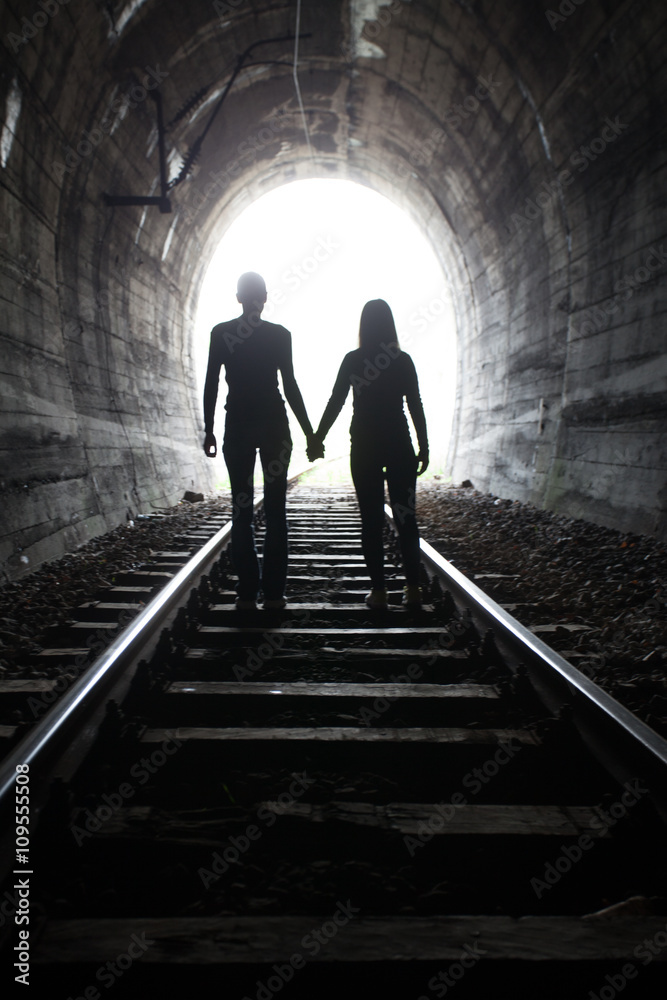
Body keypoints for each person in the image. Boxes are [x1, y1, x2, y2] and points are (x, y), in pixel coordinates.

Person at [203, 272, 321, 610]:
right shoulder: (279, 336)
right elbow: (291, 386)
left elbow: (212, 383)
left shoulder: (222, 333)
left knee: (241, 511)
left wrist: (209, 428)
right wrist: (310, 433)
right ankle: (273, 595)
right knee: (276, 510)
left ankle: (246, 594)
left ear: (238, 297)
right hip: (274, 427)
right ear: (265, 298)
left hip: (237, 426)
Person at [309, 299, 428, 609]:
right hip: (399, 444)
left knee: (371, 519)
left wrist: (317, 438)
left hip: (365, 446)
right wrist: (423, 446)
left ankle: (379, 592)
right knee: (406, 518)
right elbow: (415, 404)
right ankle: (413, 590)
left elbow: (335, 401)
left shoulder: (353, 360)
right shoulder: (402, 360)